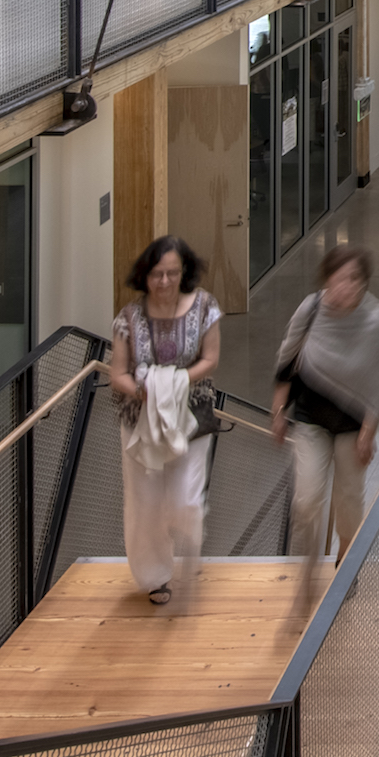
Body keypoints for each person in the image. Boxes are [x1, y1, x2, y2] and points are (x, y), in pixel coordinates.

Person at [107, 234, 222, 605]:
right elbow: (118, 373)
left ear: (183, 272)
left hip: (191, 414)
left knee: (184, 499)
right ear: (145, 276)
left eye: (172, 273)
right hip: (140, 421)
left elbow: (210, 359)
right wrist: (147, 390)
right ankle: (155, 577)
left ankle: (184, 531)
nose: (165, 282)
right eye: (157, 274)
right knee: (144, 502)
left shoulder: (205, 307)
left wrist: (174, 384)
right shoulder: (128, 318)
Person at [272, 243, 379, 563]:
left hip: (353, 424)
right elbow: (287, 360)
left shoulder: (376, 319)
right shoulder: (311, 309)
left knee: (349, 500)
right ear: (327, 280)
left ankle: (344, 558)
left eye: (356, 279)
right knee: (307, 498)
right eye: (341, 279)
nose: (349, 286)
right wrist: (278, 411)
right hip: (310, 417)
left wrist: (370, 429)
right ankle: (307, 564)